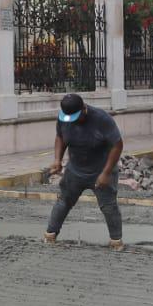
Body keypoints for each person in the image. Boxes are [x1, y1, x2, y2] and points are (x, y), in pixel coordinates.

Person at [44, 92, 124, 248]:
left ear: (84, 109)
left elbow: (117, 145)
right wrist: (57, 160)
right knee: (63, 201)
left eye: (75, 117)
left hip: (101, 170)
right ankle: (50, 235)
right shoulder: (63, 118)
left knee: (109, 206)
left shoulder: (102, 119)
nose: (72, 122)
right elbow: (60, 137)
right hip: (75, 169)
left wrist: (106, 173)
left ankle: (116, 242)